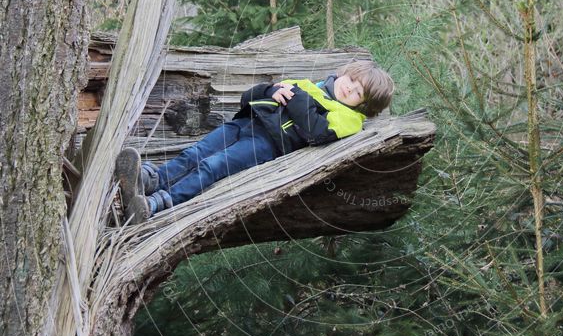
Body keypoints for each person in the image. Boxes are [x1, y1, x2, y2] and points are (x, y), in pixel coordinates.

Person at [116, 60, 394, 224]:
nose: (349, 88)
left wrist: (294, 97)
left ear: (362, 106)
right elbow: (251, 97)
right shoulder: (309, 85)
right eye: (352, 80)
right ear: (345, 72)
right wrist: (269, 89)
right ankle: (151, 180)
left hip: (267, 145)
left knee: (213, 166)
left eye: (358, 93)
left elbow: (315, 132)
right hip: (246, 122)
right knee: (195, 153)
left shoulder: (348, 118)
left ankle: (157, 204)